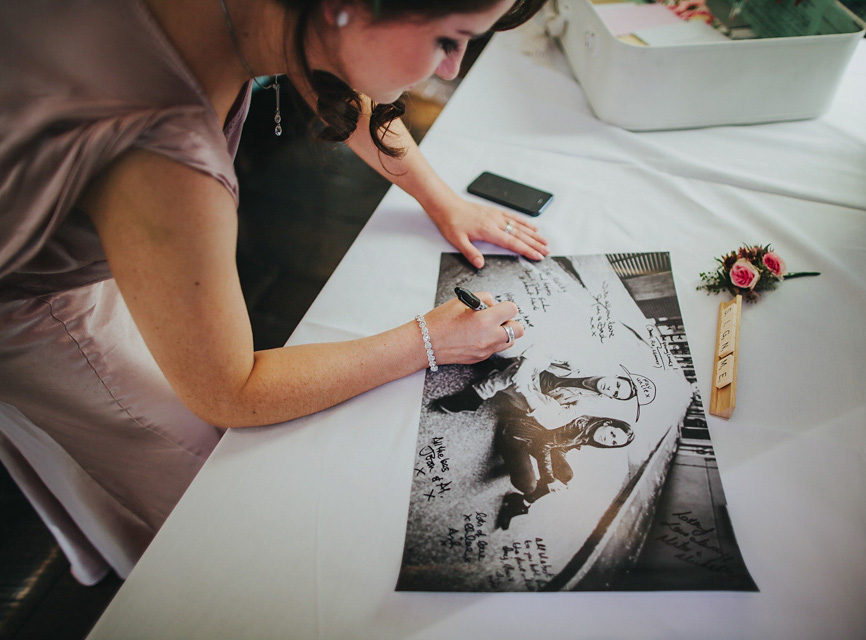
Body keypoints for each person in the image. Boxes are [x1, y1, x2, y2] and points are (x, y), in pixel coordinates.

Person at [0, 0, 549, 582]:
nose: (449, 70)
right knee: (206, 482)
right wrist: (429, 341)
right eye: (448, 40)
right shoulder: (166, 161)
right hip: (38, 304)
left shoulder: (265, 14)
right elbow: (232, 392)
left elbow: (328, 64)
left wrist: (442, 199)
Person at [493, 415, 635, 530]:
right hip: (516, 434)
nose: (608, 440)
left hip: (537, 439)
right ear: (608, 423)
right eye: (612, 433)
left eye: (614, 442)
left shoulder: (593, 432)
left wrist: (557, 468)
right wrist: (549, 479)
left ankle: (523, 503)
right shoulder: (581, 426)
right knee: (528, 485)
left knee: (565, 475)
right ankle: (521, 485)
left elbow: (561, 446)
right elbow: (543, 444)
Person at [433, 355, 638, 427]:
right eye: (617, 385)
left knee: (549, 408)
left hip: (529, 393)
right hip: (527, 370)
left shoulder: (590, 402)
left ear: (610, 397)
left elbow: (554, 422)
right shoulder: (588, 363)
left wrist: (530, 394)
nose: (611, 389)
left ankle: (476, 396)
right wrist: (524, 371)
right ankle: (482, 389)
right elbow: (545, 348)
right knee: (520, 368)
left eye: (615, 394)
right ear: (615, 376)